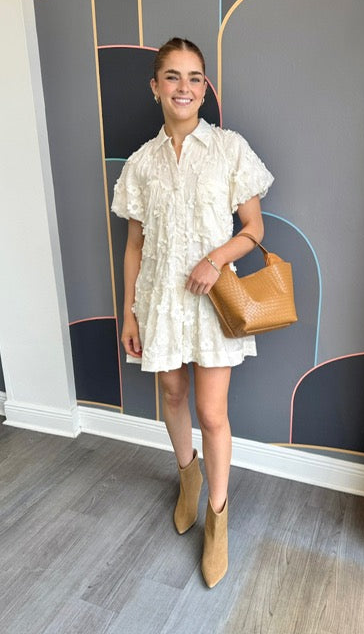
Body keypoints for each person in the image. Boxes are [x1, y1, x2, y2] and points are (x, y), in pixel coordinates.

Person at [111, 37, 273, 588]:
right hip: (159, 299)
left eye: (195, 77)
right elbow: (134, 246)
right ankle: (188, 479)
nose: (185, 87)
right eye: (173, 77)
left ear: (205, 89)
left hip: (212, 301)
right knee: (173, 395)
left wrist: (214, 259)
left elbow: (254, 229)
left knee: (212, 412)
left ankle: (218, 519)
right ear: (155, 87)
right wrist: (129, 314)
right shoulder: (140, 164)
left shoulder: (230, 149)